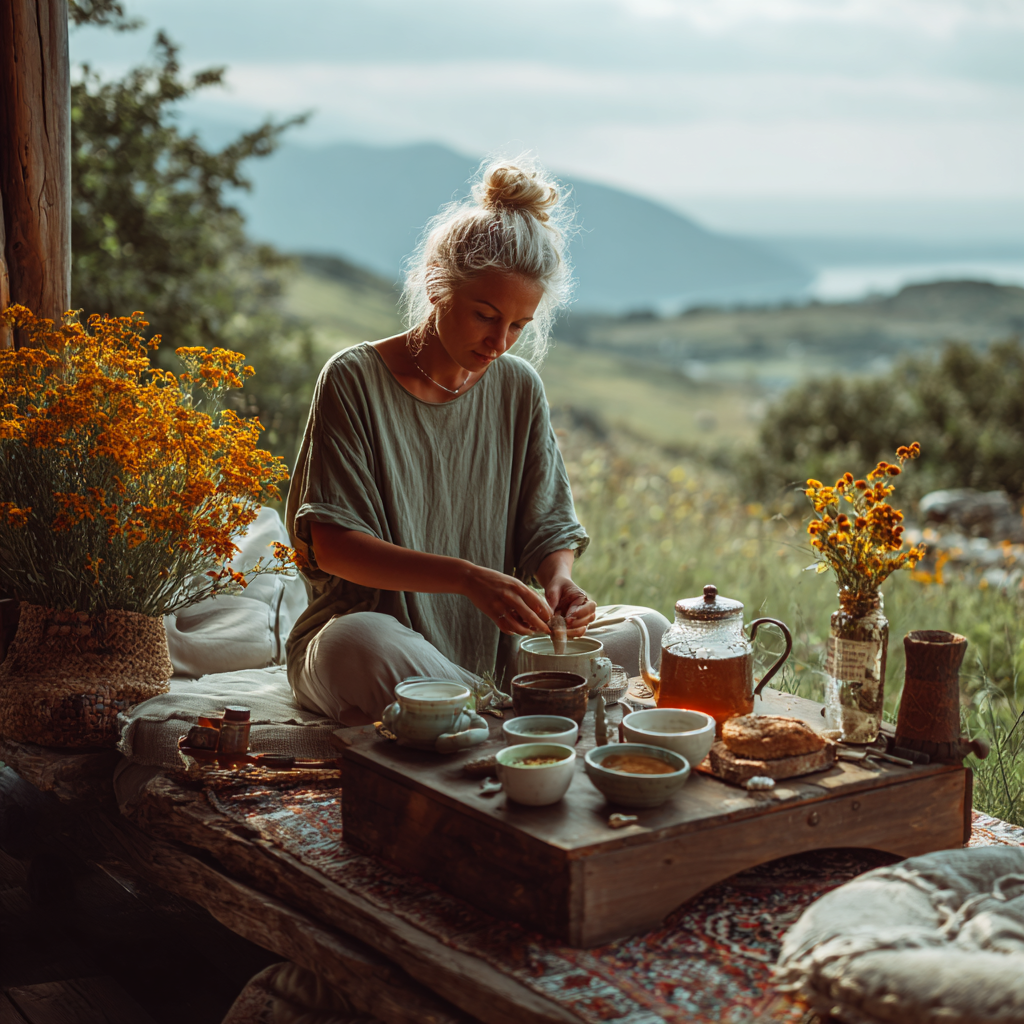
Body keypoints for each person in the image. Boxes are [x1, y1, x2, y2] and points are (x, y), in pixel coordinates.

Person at [285, 157, 667, 726]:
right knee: (357, 643)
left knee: (652, 631)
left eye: (519, 325)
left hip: (503, 652)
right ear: (437, 287)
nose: (499, 342)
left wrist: (560, 582)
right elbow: (336, 546)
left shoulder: (517, 386)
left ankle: (477, 712)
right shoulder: (353, 378)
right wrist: (466, 578)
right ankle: (518, 713)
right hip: (380, 639)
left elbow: (548, 527)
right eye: (485, 316)